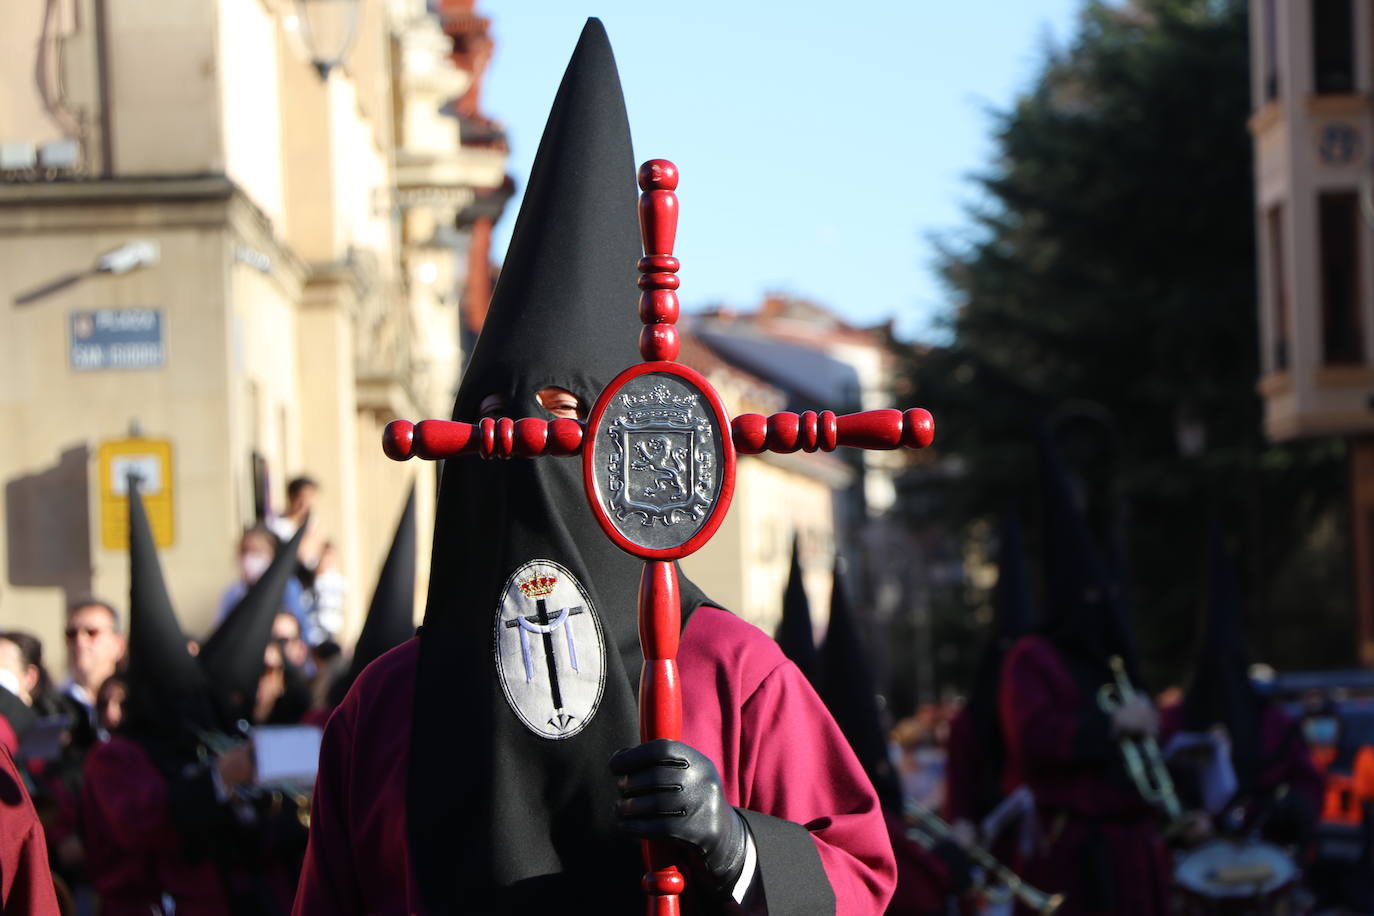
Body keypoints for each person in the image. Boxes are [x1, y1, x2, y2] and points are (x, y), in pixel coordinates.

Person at [293, 20, 895, 916]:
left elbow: (860, 878)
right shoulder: (386, 709)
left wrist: (735, 847)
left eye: (564, 424)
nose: (531, 454)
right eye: (501, 424)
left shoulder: (732, 673)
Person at [998, 431, 1169, 916]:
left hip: (1132, 850)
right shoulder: (1034, 656)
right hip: (1076, 856)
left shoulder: (1111, 657)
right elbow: (1032, 738)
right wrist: (1114, 724)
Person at [59, 598, 126, 727]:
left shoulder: (135, 702)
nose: (80, 641)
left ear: (119, 645)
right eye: (72, 634)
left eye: (91, 632)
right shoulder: (52, 707)